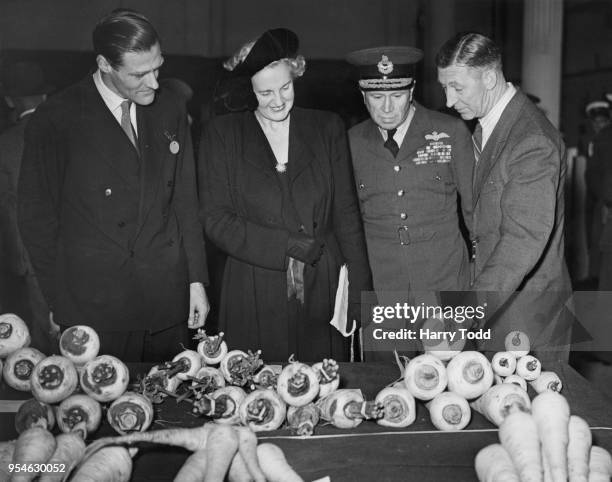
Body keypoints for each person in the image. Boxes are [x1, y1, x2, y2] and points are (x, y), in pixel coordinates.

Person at [18, 9, 209, 362]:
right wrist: (58, 301)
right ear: (105, 65)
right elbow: (37, 220)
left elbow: (186, 201)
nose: (153, 82)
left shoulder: (170, 107)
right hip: (95, 306)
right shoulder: (57, 118)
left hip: (165, 299)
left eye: (158, 67)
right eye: (139, 74)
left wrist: (196, 281)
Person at [199, 28, 372, 361]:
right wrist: (285, 246)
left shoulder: (327, 127)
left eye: (285, 87)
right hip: (253, 283)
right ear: (248, 91)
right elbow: (215, 219)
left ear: (296, 75)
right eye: (265, 93)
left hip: (322, 280)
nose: (278, 101)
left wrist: (360, 293)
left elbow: (347, 213)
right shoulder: (223, 135)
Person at [436, 33, 572, 362]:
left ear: (490, 77)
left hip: (527, 316)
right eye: (444, 88)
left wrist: (465, 312)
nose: (449, 101)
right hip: (502, 305)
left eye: (457, 87)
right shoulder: (490, 127)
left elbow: (522, 239)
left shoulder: (530, 139)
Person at [346, 46, 473, 296]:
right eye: (376, 97)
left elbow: (475, 211)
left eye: (396, 96)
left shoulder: (451, 132)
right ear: (362, 94)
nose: (386, 108)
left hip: (444, 282)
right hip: (381, 288)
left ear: (411, 90)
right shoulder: (350, 142)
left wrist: (479, 278)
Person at [0, 60, 54, 351]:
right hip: (85, 251)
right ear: (45, 96)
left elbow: (8, 209)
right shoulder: (69, 134)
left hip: (33, 253)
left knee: (45, 334)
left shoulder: (6, 145)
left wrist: (17, 262)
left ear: (9, 100)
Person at [584, 100, 611, 285]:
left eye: (602, 121)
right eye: (596, 122)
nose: (598, 126)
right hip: (600, 199)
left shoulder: (604, 139)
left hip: (606, 201)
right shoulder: (597, 139)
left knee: (604, 248)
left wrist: (608, 202)